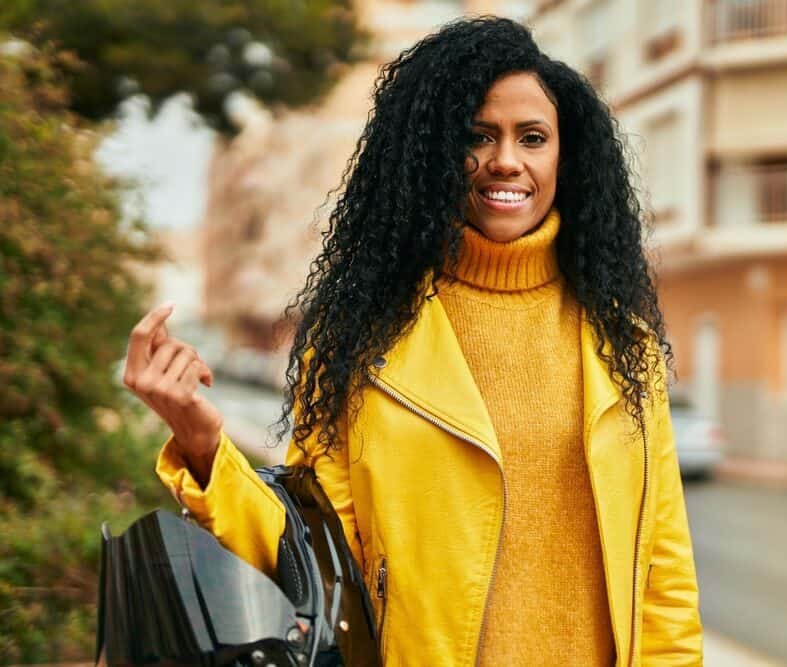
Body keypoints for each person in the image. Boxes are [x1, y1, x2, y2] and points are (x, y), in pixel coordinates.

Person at [123, 16, 702, 667]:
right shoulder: (362, 339)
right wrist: (202, 447)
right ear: (431, 154)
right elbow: (312, 556)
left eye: (532, 137)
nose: (506, 159)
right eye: (477, 137)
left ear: (566, 158)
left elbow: (664, 583)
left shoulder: (623, 342)